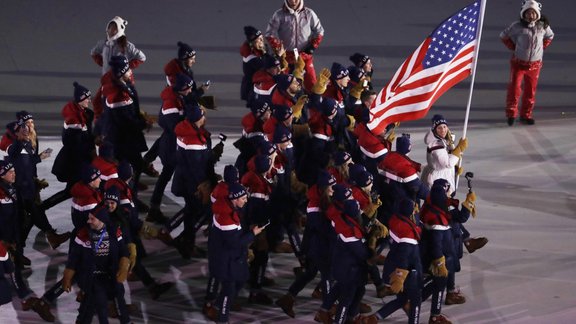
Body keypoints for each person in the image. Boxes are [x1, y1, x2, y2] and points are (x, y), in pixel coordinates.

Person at [205, 183, 265, 323]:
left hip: (231, 258)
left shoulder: (230, 209)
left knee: (243, 277)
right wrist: (252, 234)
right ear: (234, 199)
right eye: (243, 198)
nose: (246, 200)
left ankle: (219, 305)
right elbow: (234, 243)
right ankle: (222, 318)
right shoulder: (226, 219)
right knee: (229, 289)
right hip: (226, 261)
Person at [62, 206, 131, 324]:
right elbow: (74, 258)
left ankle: (125, 321)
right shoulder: (83, 235)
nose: (88, 221)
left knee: (118, 295)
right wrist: (67, 276)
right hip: (91, 275)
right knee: (98, 300)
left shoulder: (114, 232)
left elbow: (123, 251)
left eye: (92, 219)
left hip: (110, 274)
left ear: (102, 220)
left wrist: (124, 266)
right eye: (89, 218)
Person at [500, 0, 554, 126]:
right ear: (523, 13)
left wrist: (542, 47)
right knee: (514, 89)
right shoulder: (517, 26)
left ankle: (526, 114)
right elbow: (503, 35)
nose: (531, 16)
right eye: (528, 13)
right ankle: (511, 114)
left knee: (530, 91)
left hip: (535, 66)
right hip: (519, 64)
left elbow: (550, 36)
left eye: (534, 13)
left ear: (538, 14)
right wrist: (513, 47)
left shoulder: (542, 26)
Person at [45, 82, 95, 211]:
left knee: (73, 191)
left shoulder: (82, 114)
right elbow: (77, 146)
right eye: (87, 98)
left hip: (77, 162)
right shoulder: (75, 121)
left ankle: (41, 208)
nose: (89, 100)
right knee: (71, 191)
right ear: (80, 100)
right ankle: (41, 208)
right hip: (74, 164)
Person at [265, 0, 325, 92]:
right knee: (284, 84)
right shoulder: (279, 15)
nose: (293, 1)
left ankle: (311, 103)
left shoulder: (309, 14)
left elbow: (319, 31)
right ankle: (287, 104)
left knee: (311, 83)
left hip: (304, 55)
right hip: (287, 56)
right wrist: (278, 48)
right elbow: (270, 34)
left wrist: (312, 46)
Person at [240, 26, 266, 102]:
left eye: (262, 37)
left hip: (258, 86)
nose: (262, 40)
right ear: (252, 42)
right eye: (259, 39)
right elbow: (266, 67)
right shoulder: (250, 56)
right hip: (253, 89)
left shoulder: (258, 49)